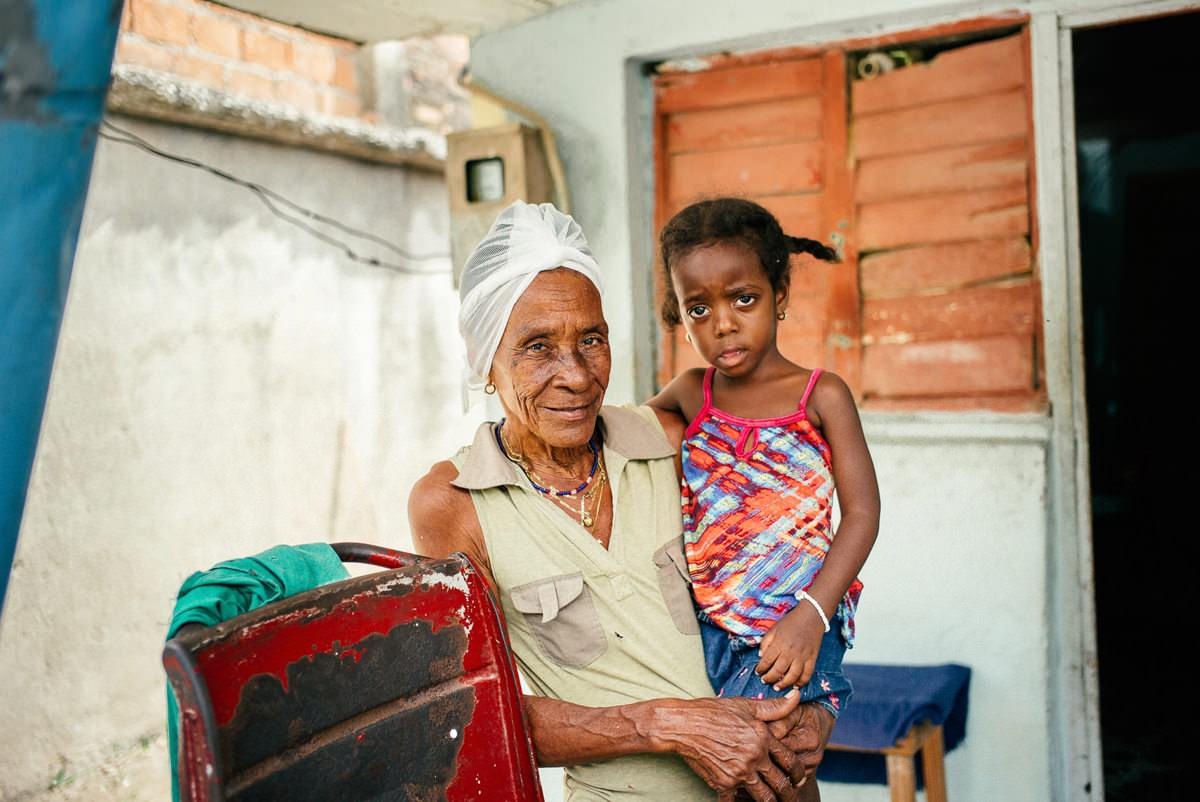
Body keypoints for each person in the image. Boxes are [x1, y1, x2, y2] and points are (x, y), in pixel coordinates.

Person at [409, 200, 829, 801]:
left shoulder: (676, 438)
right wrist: (669, 725)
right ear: (486, 363)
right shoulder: (452, 503)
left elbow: (797, 561)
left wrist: (819, 710)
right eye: (536, 347)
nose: (577, 375)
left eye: (591, 339)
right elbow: (469, 716)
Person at [648, 197, 881, 801]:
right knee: (741, 774)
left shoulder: (821, 397)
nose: (722, 323)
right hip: (712, 628)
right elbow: (621, 446)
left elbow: (862, 514)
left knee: (775, 774)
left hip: (797, 624)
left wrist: (813, 614)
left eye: (742, 299)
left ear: (779, 294)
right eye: (699, 308)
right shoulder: (690, 395)